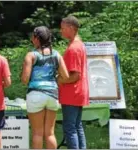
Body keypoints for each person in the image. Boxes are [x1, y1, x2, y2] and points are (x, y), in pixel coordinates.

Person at [21, 26, 69, 149]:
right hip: (52, 94)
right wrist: (55, 79)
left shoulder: (31, 55)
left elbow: (25, 80)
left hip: (36, 94)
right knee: (50, 133)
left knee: (37, 133)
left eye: (33, 36)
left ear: (37, 39)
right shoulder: (56, 54)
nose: (32, 39)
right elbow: (66, 76)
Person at [58, 15, 89, 149]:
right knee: (77, 126)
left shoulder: (74, 49)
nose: (61, 31)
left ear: (71, 28)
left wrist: (60, 79)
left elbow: (75, 75)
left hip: (72, 93)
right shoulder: (79, 44)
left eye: (63, 28)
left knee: (70, 128)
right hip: (79, 92)